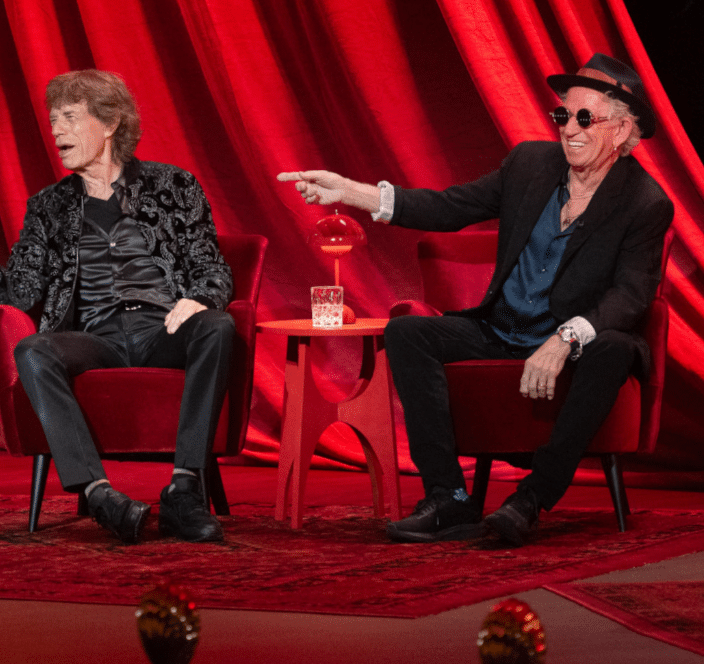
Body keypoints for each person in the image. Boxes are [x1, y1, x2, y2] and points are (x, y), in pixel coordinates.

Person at [279, 53, 673, 546]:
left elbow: (632, 294)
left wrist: (563, 339)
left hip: (571, 345)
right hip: (500, 329)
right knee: (408, 332)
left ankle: (530, 500)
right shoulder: (529, 163)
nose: (569, 129)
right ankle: (448, 498)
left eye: (584, 118)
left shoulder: (645, 201)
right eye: (563, 115)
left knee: (615, 346)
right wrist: (353, 191)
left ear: (620, 130)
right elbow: (450, 207)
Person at [0, 70, 234, 544]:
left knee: (217, 325)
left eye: (70, 118)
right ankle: (99, 494)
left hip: (164, 328)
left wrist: (198, 300)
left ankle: (184, 489)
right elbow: (20, 293)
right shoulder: (48, 207)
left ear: (109, 123)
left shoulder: (173, 187)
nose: (57, 131)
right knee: (33, 349)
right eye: (53, 121)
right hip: (97, 338)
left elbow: (212, 269)